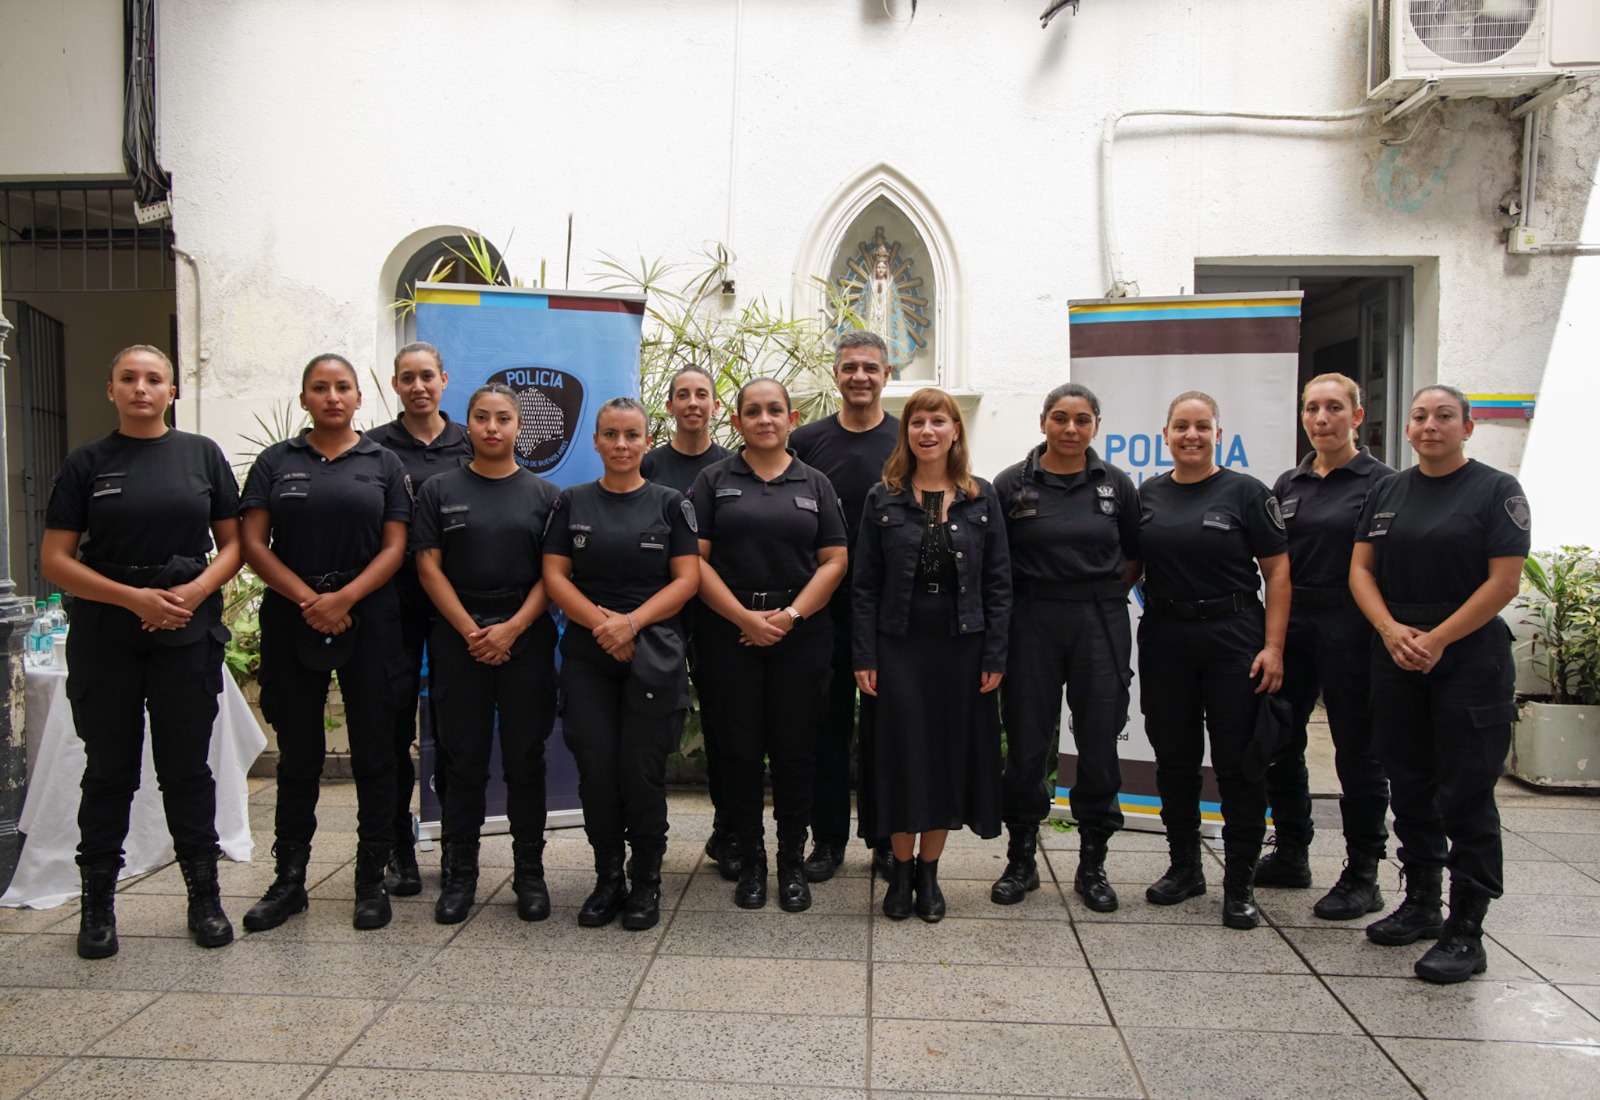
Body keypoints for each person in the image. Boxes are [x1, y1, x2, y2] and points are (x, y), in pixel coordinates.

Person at [41, 345, 244, 959]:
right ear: (111, 389)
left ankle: (203, 899)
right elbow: (54, 562)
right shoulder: (87, 463)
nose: (141, 388)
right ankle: (97, 907)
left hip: (186, 624)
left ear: (172, 391)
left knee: (187, 768)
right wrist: (135, 600)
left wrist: (193, 590)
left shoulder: (201, 455)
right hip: (108, 632)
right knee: (109, 772)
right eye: (128, 378)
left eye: (154, 379)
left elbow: (234, 546)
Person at [1350, 385, 1528, 984]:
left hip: (1467, 654)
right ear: (1407, 428)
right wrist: (1390, 630)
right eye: (1420, 416)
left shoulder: (1496, 490)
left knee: (1467, 791)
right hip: (1397, 649)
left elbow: (1504, 582)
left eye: (1444, 416)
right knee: (1410, 780)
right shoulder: (1388, 489)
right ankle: (1423, 901)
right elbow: (1360, 569)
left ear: (1467, 427)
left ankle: (1466, 929)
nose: (1431, 426)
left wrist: (1439, 638)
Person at [239, 354, 413, 932]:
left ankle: (369, 881)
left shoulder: (384, 462)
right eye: (320, 387)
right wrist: (310, 601)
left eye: (343, 387)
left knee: (375, 752)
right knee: (300, 755)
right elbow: (254, 543)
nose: (332, 396)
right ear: (304, 398)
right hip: (293, 617)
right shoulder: (276, 462)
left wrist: (344, 599)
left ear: (360, 398)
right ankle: (290, 881)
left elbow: (395, 548)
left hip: (371, 619)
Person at [854, 387, 1012, 922]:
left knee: (946, 756)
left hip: (961, 647)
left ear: (955, 431)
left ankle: (929, 874)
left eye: (938, 421)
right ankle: (898, 875)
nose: (927, 431)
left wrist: (994, 655)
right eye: (918, 421)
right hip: (897, 644)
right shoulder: (883, 498)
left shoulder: (980, 497)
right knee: (900, 756)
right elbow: (864, 586)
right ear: (907, 433)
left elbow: (998, 584)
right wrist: (864, 655)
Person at [691, 378, 848, 912]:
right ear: (734, 422)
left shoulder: (816, 483)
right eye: (752, 411)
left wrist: (789, 616)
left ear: (792, 418)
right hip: (728, 633)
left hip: (800, 635)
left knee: (795, 752)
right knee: (737, 753)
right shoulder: (712, 482)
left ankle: (790, 864)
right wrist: (744, 618)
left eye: (774, 410)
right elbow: (694, 563)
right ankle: (752, 864)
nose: (764, 419)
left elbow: (835, 561)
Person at [542, 398, 699, 930]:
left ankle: (647, 881)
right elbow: (556, 577)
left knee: (642, 771)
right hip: (589, 655)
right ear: (596, 441)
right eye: (610, 434)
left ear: (646, 441)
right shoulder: (572, 502)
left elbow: (686, 580)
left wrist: (630, 626)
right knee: (598, 771)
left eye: (632, 435)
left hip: (652, 653)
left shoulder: (670, 503)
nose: (621, 445)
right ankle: (608, 878)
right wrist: (605, 627)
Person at [1136, 391, 1289, 930]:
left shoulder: (1246, 492)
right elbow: (1129, 568)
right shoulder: (1148, 494)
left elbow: (1277, 573)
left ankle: (1240, 882)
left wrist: (1273, 648)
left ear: (1218, 435)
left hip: (1234, 639)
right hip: (1166, 637)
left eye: (1202, 426)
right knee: (1174, 759)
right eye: (1181, 426)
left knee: (1238, 764)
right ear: (1166, 434)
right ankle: (1185, 868)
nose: (1191, 435)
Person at [412, 384, 560, 925]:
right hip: (459, 637)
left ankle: (529, 876)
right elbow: (429, 567)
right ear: (468, 425)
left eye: (503, 419)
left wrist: (513, 629)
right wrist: (474, 631)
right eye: (482, 418)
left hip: (526, 635)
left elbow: (555, 575)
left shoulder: (545, 496)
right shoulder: (437, 490)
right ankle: (460, 877)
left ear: (520, 428)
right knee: (463, 760)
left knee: (526, 759)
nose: (492, 427)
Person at [992, 383, 1139, 913]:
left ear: (1096, 425)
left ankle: (1092, 864)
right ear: (1043, 423)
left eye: (1081, 419)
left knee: (1099, 743)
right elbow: (996, 563)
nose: (1070, 429)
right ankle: (1021, 860)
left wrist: (1097, 594)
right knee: (1028, 743)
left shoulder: (1116, 485)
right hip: (1031, 621)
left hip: (1099, 620)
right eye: (1060, 418)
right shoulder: (1011, 483)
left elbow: (1133, 556)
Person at [1256, 374, 1395, 920]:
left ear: (1356, 417)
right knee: (1278, 739)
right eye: (1312, 408)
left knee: (1358, 751)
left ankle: (1364, 873)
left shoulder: (1382, 483)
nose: (1321, 418)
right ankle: (1292, 852)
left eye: (1334, 408)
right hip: (1292, 624)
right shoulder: (1289, 483)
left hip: (1352, 625)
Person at [790, 329, 900, 883]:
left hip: (890, 612)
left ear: (888, 374)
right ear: (836, 375)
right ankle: (827, 840)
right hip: (823, 609)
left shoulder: (909, 439)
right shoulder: (807, 441)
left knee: (885, 730)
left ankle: (884, 839)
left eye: (871, 367)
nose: (860, 376)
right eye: (850, 366)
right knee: (825, 729)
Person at [364, 341, 473, 895]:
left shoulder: (473, 441)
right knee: (389, 733)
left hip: (459, 608)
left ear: (444, 379)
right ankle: (397, 850)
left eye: (427, 376)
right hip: (393, 607)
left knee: (455, 735)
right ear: (395, 384)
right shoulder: (374, 449)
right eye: (407, 378)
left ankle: (457, 849)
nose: (418, 387)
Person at [639, 365, 735, 877]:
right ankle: (647, 841)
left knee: (723, 725)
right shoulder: (649, 465)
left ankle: (729, 832)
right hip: (663, 614)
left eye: (702, 394)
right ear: (670, 406)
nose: (693, 402)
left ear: (716, 407)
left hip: (718, 613)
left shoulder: (733, 465)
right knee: (653, 725)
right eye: (682, 395)